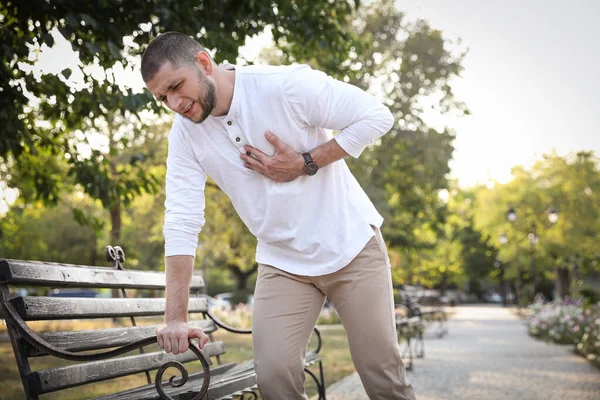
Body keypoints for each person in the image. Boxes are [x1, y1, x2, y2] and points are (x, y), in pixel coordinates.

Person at [140, 31, 416, 400]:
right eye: (162, 98)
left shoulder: (284, 86)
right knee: (273, 375)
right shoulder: (185, 133)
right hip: (282, 261)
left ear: (204, 63)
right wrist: (174, 317)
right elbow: (182, 217)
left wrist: (306, 162)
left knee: (381, 374)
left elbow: (376, 116)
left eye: (176, 86)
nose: (174, 103)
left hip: (351, 246)